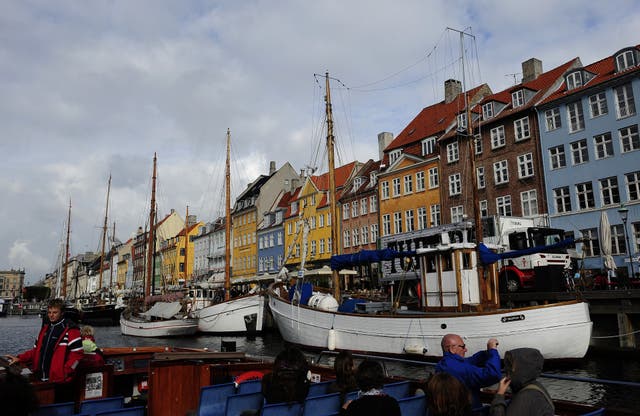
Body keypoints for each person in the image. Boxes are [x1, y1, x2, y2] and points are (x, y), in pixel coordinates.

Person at [4, 298, 83, 384]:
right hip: (41, 377)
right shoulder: (45, 329)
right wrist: (19, 358)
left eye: (55, 312)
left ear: (62, 313)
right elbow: (35, 351)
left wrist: (66, 371)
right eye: (49, 312)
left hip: (59, 380)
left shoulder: (70, 330)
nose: (51, 315)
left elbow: (77, 356)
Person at [435, 334, 501, 409]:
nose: (465, 350)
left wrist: (487, 352)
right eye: (463, 347)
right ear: (452, 349)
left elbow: (468, 361)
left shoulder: (442, 365)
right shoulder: (460, 369)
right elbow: (493, 374)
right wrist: (493, 351)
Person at [490, 348, 554, 416]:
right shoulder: (536, 387)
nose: (506, 369)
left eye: (510, 366)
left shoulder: (524, 397)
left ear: (522, 369)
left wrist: (499, 395)